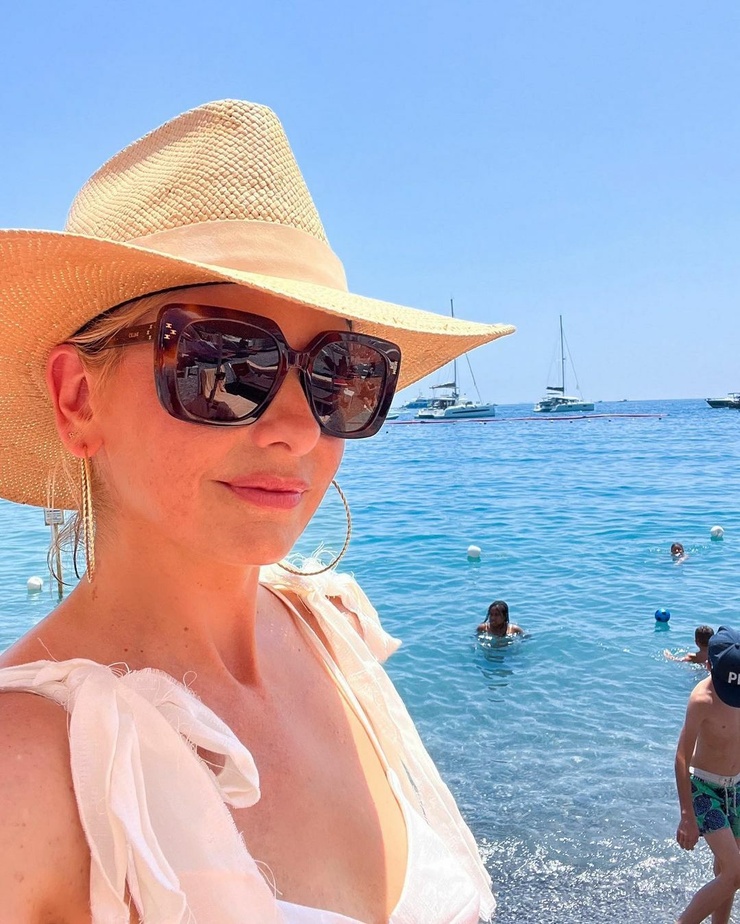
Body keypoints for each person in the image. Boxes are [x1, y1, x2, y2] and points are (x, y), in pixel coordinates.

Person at [0, 100, 516, 923]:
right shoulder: (28, 773)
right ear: (78, 399)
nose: (299, 429)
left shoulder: (331, 630)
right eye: (227, 365)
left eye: (340, 374)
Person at [674, 626, 740, 924]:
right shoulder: (702, 699)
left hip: (737, 788)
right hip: (704, 788)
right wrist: (686, 814)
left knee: (726, 872)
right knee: (735, 873)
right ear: (710, 665)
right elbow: (681, 756)